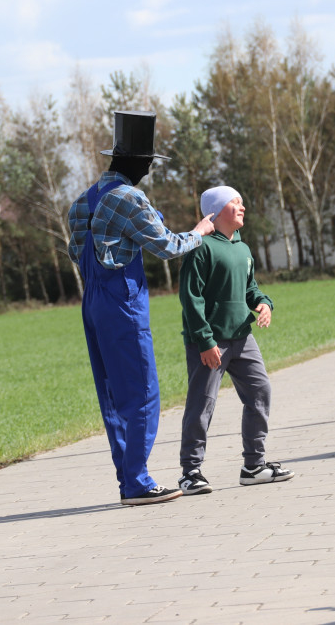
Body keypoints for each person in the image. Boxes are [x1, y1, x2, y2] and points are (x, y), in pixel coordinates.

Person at [68, 110, 216, 506]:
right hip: (123, 304)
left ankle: (128, 478)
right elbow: (166, 246)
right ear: (134, 161)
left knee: (113, 396)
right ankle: (137, 482)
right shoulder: (130, 198)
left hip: (93, 304)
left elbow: (74, 252)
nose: (150, 170)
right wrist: (199, 233)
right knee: (146, 394)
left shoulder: (82, 201)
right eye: (149, 162)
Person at [177, 186, 294, 495]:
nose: (243, 207)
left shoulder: (242, 248)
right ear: (215, 211)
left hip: (242, 337)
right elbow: (191, 299)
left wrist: (264, 303)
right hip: (210, 342)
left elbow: (250, 288)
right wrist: (204, 340)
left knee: (260, 391)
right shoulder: (200, 247)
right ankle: (190, 472)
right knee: (202, 404)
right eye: (236, 202)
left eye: (243, 201)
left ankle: (254, 466)